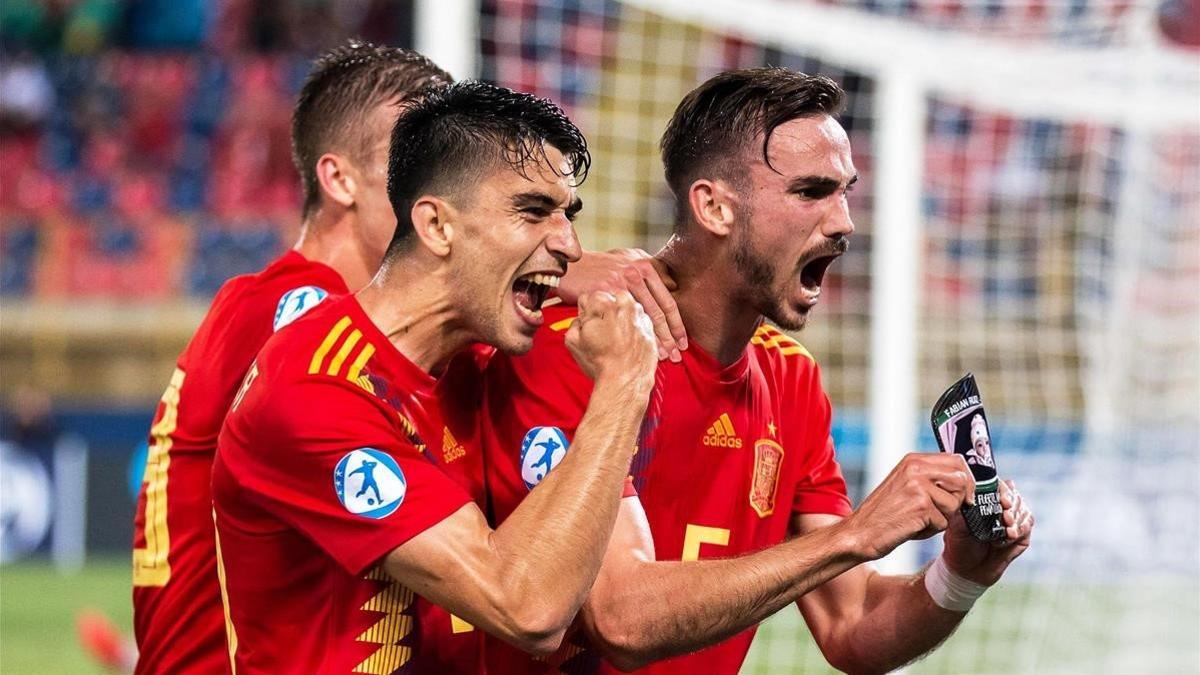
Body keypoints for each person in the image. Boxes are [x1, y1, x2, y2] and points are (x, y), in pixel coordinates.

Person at [478, 68, 1035, 673]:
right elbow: (621, 617)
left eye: (845, 190)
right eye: (811, 192)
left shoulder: (791, 379)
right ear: (714, 206)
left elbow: (849, 625)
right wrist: (855, 535)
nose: (844, 221)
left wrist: (958, 576)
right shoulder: (579, 348)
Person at [211, 79, 660, 673]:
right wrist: (622, 384)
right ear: (437, 226)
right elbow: (527, 610)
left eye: (568, 214)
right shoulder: (312, 387)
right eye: (533, 211)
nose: (571, 246)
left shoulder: (477, 366)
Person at [129, 41, 455, 675]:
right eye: (412, 163)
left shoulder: (270, 307)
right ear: (339, 180)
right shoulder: (299, 313)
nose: (438, 193)